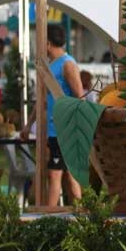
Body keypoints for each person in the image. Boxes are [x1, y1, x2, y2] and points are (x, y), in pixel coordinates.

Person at [44, 24, 84, 206]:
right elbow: (44, 100)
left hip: (65, 130)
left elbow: (80, 97)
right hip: (54, 130)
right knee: (69, 176)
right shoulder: (49, 66)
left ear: (47, 43)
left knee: (55, 174)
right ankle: (81, 213)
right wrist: (28, 125)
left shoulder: (67, 64)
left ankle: (48, 215)